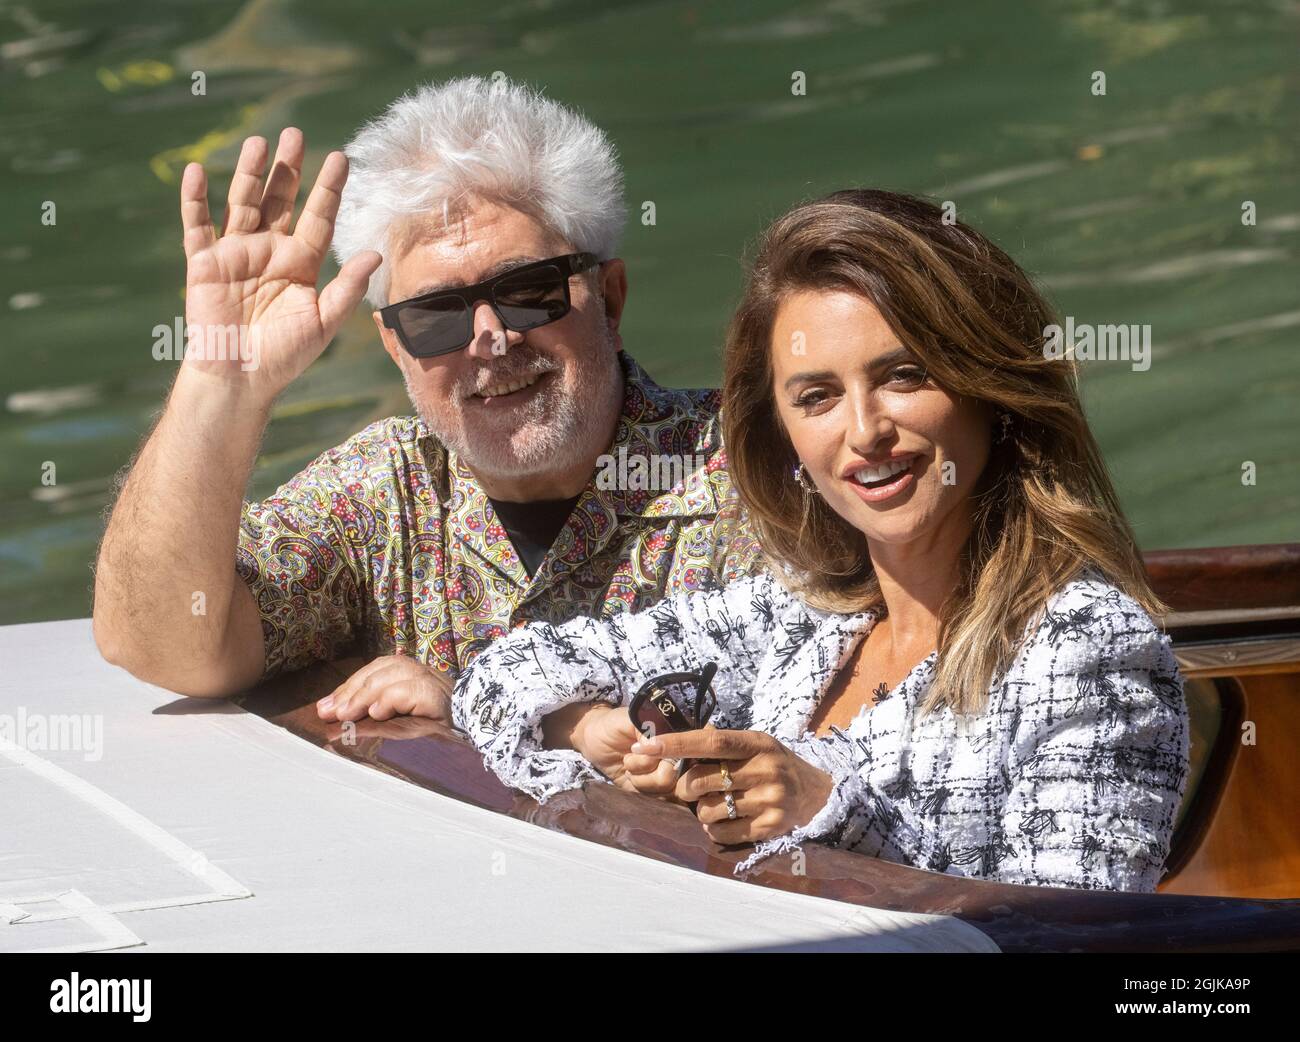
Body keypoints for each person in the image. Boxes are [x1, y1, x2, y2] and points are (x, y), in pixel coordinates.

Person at [448, 189, 1191, 892]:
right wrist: (590, 727)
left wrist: (831, 812)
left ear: (987, 385)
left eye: (903, 376)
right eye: (817, 397)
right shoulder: (793, 615)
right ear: (785, 432)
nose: (865, 433)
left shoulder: (1089, 645)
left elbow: (1068, 933)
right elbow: (503, 670)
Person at [92, 76, 761, 714]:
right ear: (396, 347)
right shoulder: (375, 497)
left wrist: (471, 713)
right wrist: (221, 384)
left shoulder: (757, 477)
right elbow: (161, 643)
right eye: (438, 315)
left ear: (609, 300)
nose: (490, 339)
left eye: (527, 291)